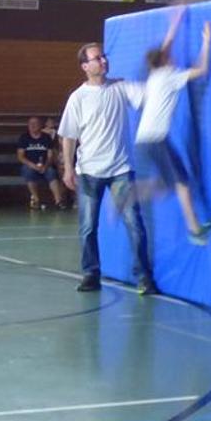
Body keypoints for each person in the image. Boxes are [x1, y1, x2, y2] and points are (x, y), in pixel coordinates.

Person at [59, 42, 157, 295]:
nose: (103, 61)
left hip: (120, 169)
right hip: (89, 171)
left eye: (103, 56)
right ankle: (91, 274)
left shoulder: (121, 88)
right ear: (85, 66)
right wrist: (68, 168)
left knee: (134, 223)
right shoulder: (78, 98)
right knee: (88, 227)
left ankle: (144, 277)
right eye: (97, 58)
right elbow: (68, 136)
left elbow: (149, 94)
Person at [134, 16, 211, 243]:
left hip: (148, 139)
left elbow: (166, 45)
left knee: (175, 182)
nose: (173, 55)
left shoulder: (155, 75)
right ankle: (194, 230)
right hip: (155, 138)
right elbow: (202, 69)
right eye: (169, 54)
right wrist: (207, 42)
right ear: (165, 60)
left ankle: (130, 193)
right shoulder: (169, 76)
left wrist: (175, 22)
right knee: (181, 182)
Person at [17, 115, 66, 210]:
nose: (32, 125)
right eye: (30, 123)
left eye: (35, 123)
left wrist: (45, 166)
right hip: (30, 165)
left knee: (51, 172)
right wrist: (33, 166)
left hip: (45, 165)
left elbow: (50, 155)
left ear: (40, 125)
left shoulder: (46, 138)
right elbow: (20, 156)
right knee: (28, 172)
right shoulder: (24, 137)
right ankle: (36, 200)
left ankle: (58, 201)